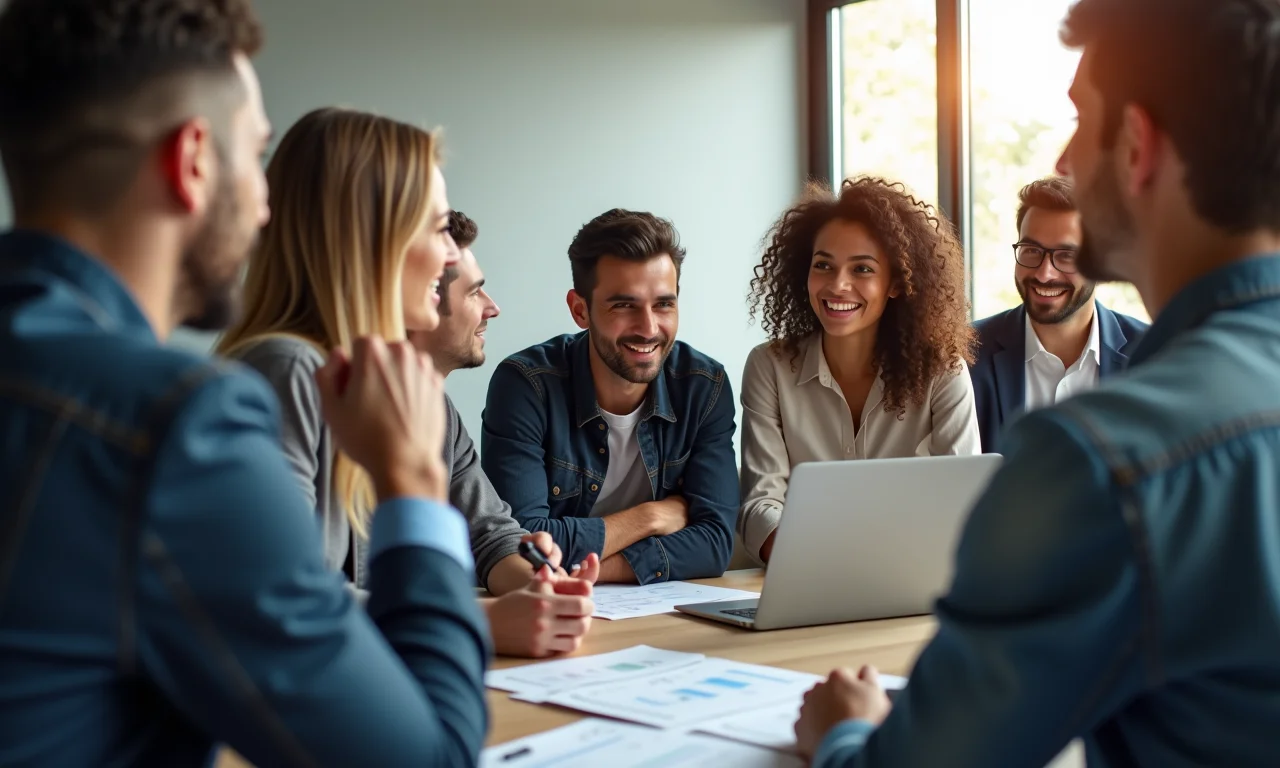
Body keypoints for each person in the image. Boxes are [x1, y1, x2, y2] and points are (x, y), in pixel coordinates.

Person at [0, 1, 493, 765]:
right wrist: (412, 480)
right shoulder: (174, 425)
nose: (266, 208)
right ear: (193, 161)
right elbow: (428, 758)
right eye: (253, 157)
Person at [794, 0, 1280, 765]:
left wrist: (847, 733)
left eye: (1081, 120)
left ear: (1137, 146)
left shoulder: (1101, 459)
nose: (1064, 156)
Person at [217, 119, 595, 659]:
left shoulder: (408, 394)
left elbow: (491, 535)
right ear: (373, 242)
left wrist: (537, 586)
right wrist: (480, 621)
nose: (449, 258)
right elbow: (279, 603)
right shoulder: (288, 370)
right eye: (438, 229)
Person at [481, 209, 738, 584]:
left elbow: (715, 544)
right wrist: (648, 518)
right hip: (549, 613)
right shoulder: (527, 385)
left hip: (653, 611)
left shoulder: (703, 386)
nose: (649, 328)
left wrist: (589, 571)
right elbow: (520, 542)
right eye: (624, 305)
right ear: (580, 309)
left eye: (663, 304)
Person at [740, 177, 980, 564]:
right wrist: (821, 560)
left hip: (912, 579)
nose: (838, 285)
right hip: (803, 575)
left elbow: (961, 504)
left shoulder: (943, 373)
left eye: (862, 269)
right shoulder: (770, 368)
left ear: (897, 283)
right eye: (823, 265)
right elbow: (760, 506)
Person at [970, 176, 1148, 452]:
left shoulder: (1153, 354)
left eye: (1066, 255)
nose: (1044, 273)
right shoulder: (965, 353)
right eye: (1031, 251)